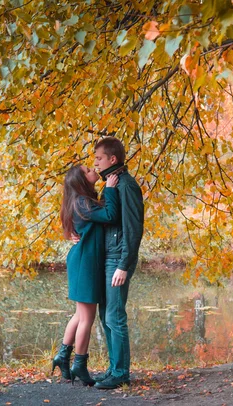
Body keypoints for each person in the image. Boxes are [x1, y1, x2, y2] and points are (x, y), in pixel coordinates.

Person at [52, 164, 120, 386]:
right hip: (85, 263)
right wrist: (109, 189)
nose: (94, 170)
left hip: (82, 260)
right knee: (87, 319)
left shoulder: (80, 201)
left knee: (80, 316)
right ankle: (79, 364)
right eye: (89, 170)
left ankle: (63, 356)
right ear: (82, 180)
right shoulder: (83, 202)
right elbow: (109, 215)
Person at [92, 137, 144, 390]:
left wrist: (124, 264)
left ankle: (121, 373)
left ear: (113, 159)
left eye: (99, 159)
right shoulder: (112, 185)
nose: (96, 164)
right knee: (105, 316)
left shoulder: (127, 185)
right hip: (108, 256)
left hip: (118, 259)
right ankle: (114, 369)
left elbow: (133, 229)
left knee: (115, 316)